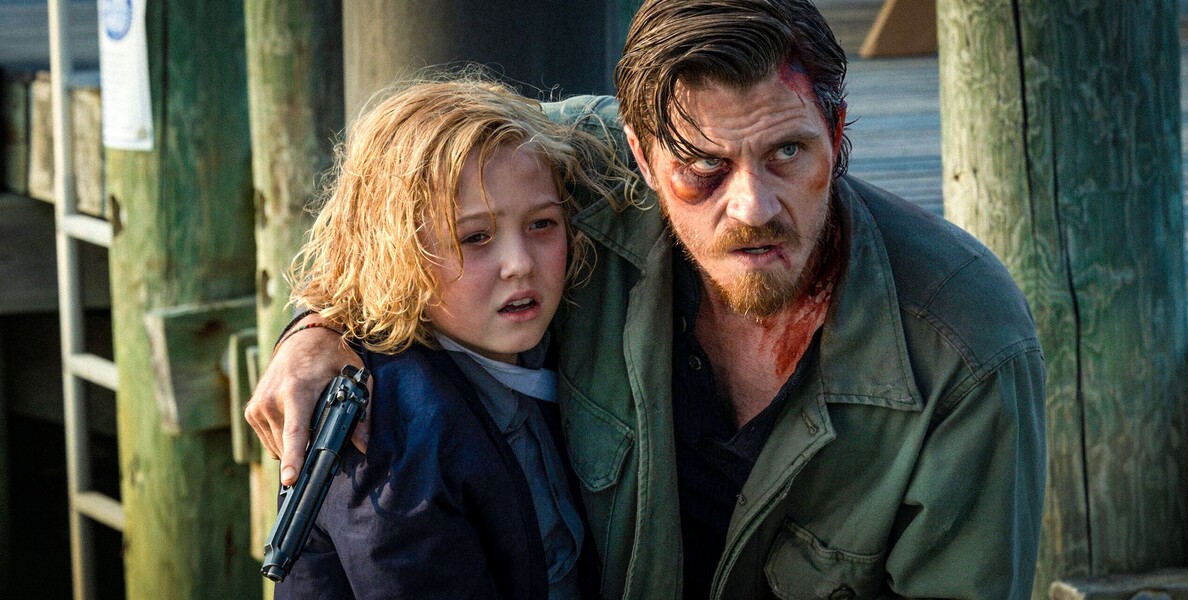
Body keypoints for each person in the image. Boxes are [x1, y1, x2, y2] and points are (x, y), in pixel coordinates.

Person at [246, 1, 1047, 598]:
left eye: (789, 152)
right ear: (639, 153)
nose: (753, 205)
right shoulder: (578, 163)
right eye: (702, 168)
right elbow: (393, 203)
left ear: (836, 135)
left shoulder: (966, 351)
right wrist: (316, 327)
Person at [269, 77, 628, 599]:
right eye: (475, 237)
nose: (520, 264)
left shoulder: (539, 344)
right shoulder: (387, 431)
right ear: (398, 252)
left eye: (542, 224)